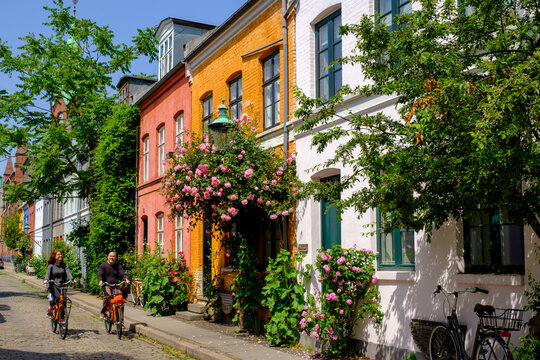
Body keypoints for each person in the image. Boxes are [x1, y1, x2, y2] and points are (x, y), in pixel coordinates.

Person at [98, 252, 129, 318]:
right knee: (108, 296)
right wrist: (100, 281)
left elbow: (122, 273)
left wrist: (126, 279)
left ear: (116, 258)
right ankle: (103, 311)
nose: (111, 258)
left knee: (120, 302)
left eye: (113, 256)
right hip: (107, 285)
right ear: (108, 257)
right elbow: (100, 274)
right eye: (110, 256)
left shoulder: (118, 266)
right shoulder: (103, 265)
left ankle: (121, 322)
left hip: (116, 285)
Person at [43, 250, 75, 316]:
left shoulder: (64, 265)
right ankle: (50, 307)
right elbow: (47, 274)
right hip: (53, 284)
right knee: (57, 297)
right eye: (58, 254)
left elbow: (68, 273)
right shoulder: (51, 266)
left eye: (61, 254)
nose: (60, 255)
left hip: (63, 285)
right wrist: (46, 280)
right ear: (54, 256)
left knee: (64, 300)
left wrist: (72, 279)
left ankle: (63, 317)